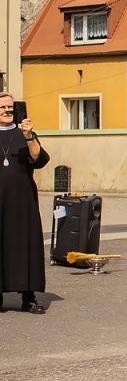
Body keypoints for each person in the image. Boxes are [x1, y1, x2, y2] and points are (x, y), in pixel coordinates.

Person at [0, 95, 49, 313]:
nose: (7, 110)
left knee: (25, 244)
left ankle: (28, 297)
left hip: (22, 198)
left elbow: (39, 159)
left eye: (11, 107)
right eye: (2, 107)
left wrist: (29, 136)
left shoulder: (24, 133)